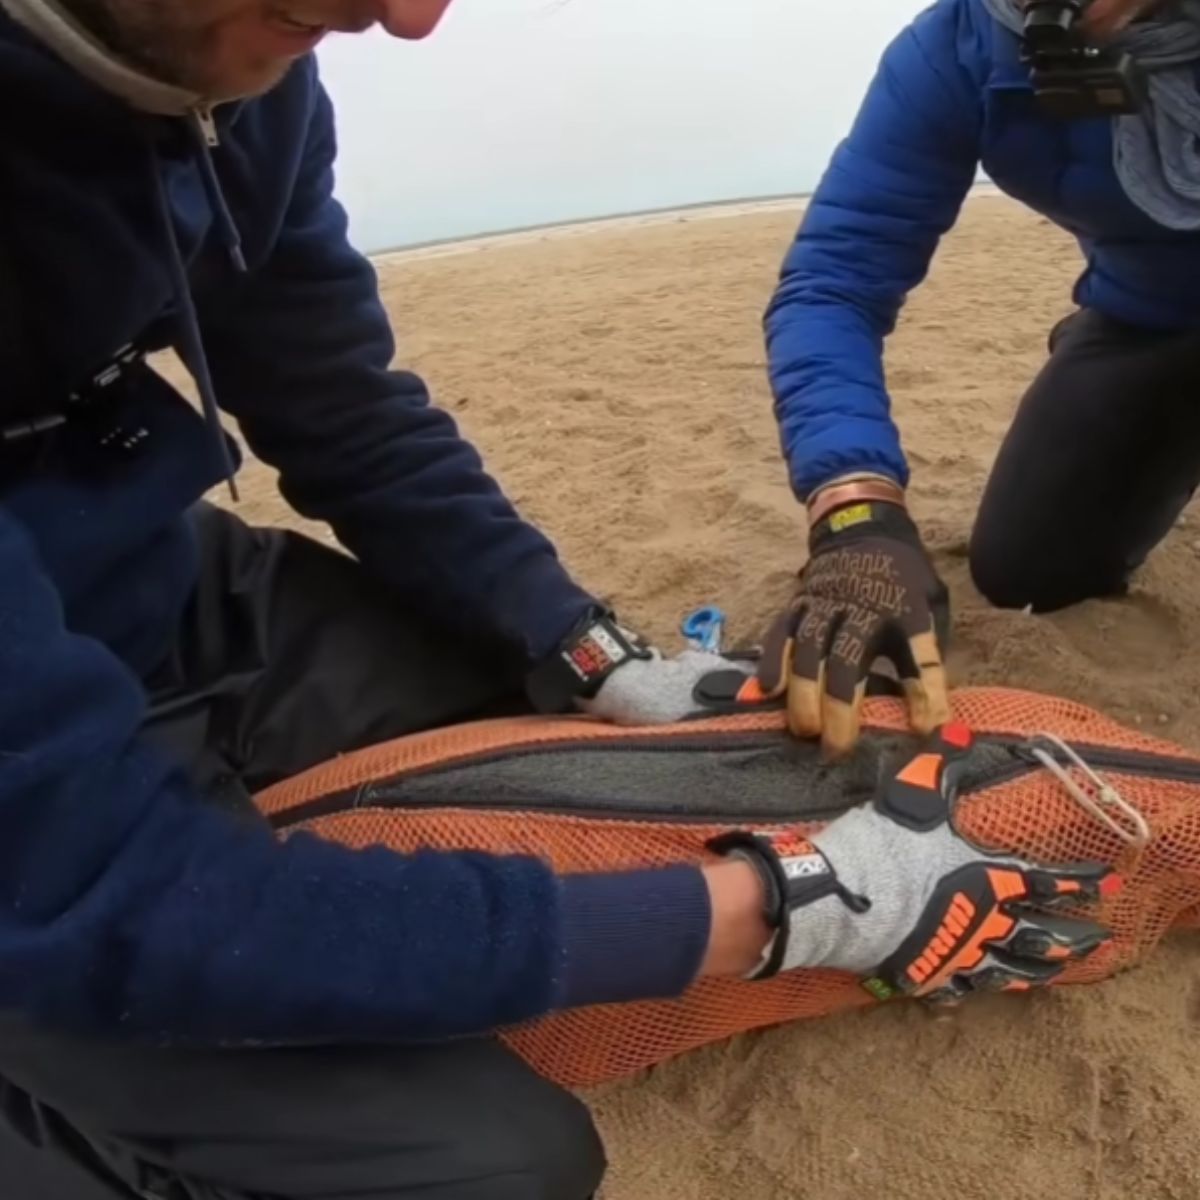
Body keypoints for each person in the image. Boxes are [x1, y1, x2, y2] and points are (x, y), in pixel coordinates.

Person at [0, 2, 1116, 1197]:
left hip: (144, 577)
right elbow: (102, 887)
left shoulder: (234, 72)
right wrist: (771, 909)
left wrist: (584, 649)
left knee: (565, 717)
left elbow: (340, 404)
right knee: (497, 1166)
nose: (411, 19)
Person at [757, 0, 1200, 758]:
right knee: (1029, 571)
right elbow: (835, 280)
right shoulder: (959, 49)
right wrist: (855, 510)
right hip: (1151, 321)